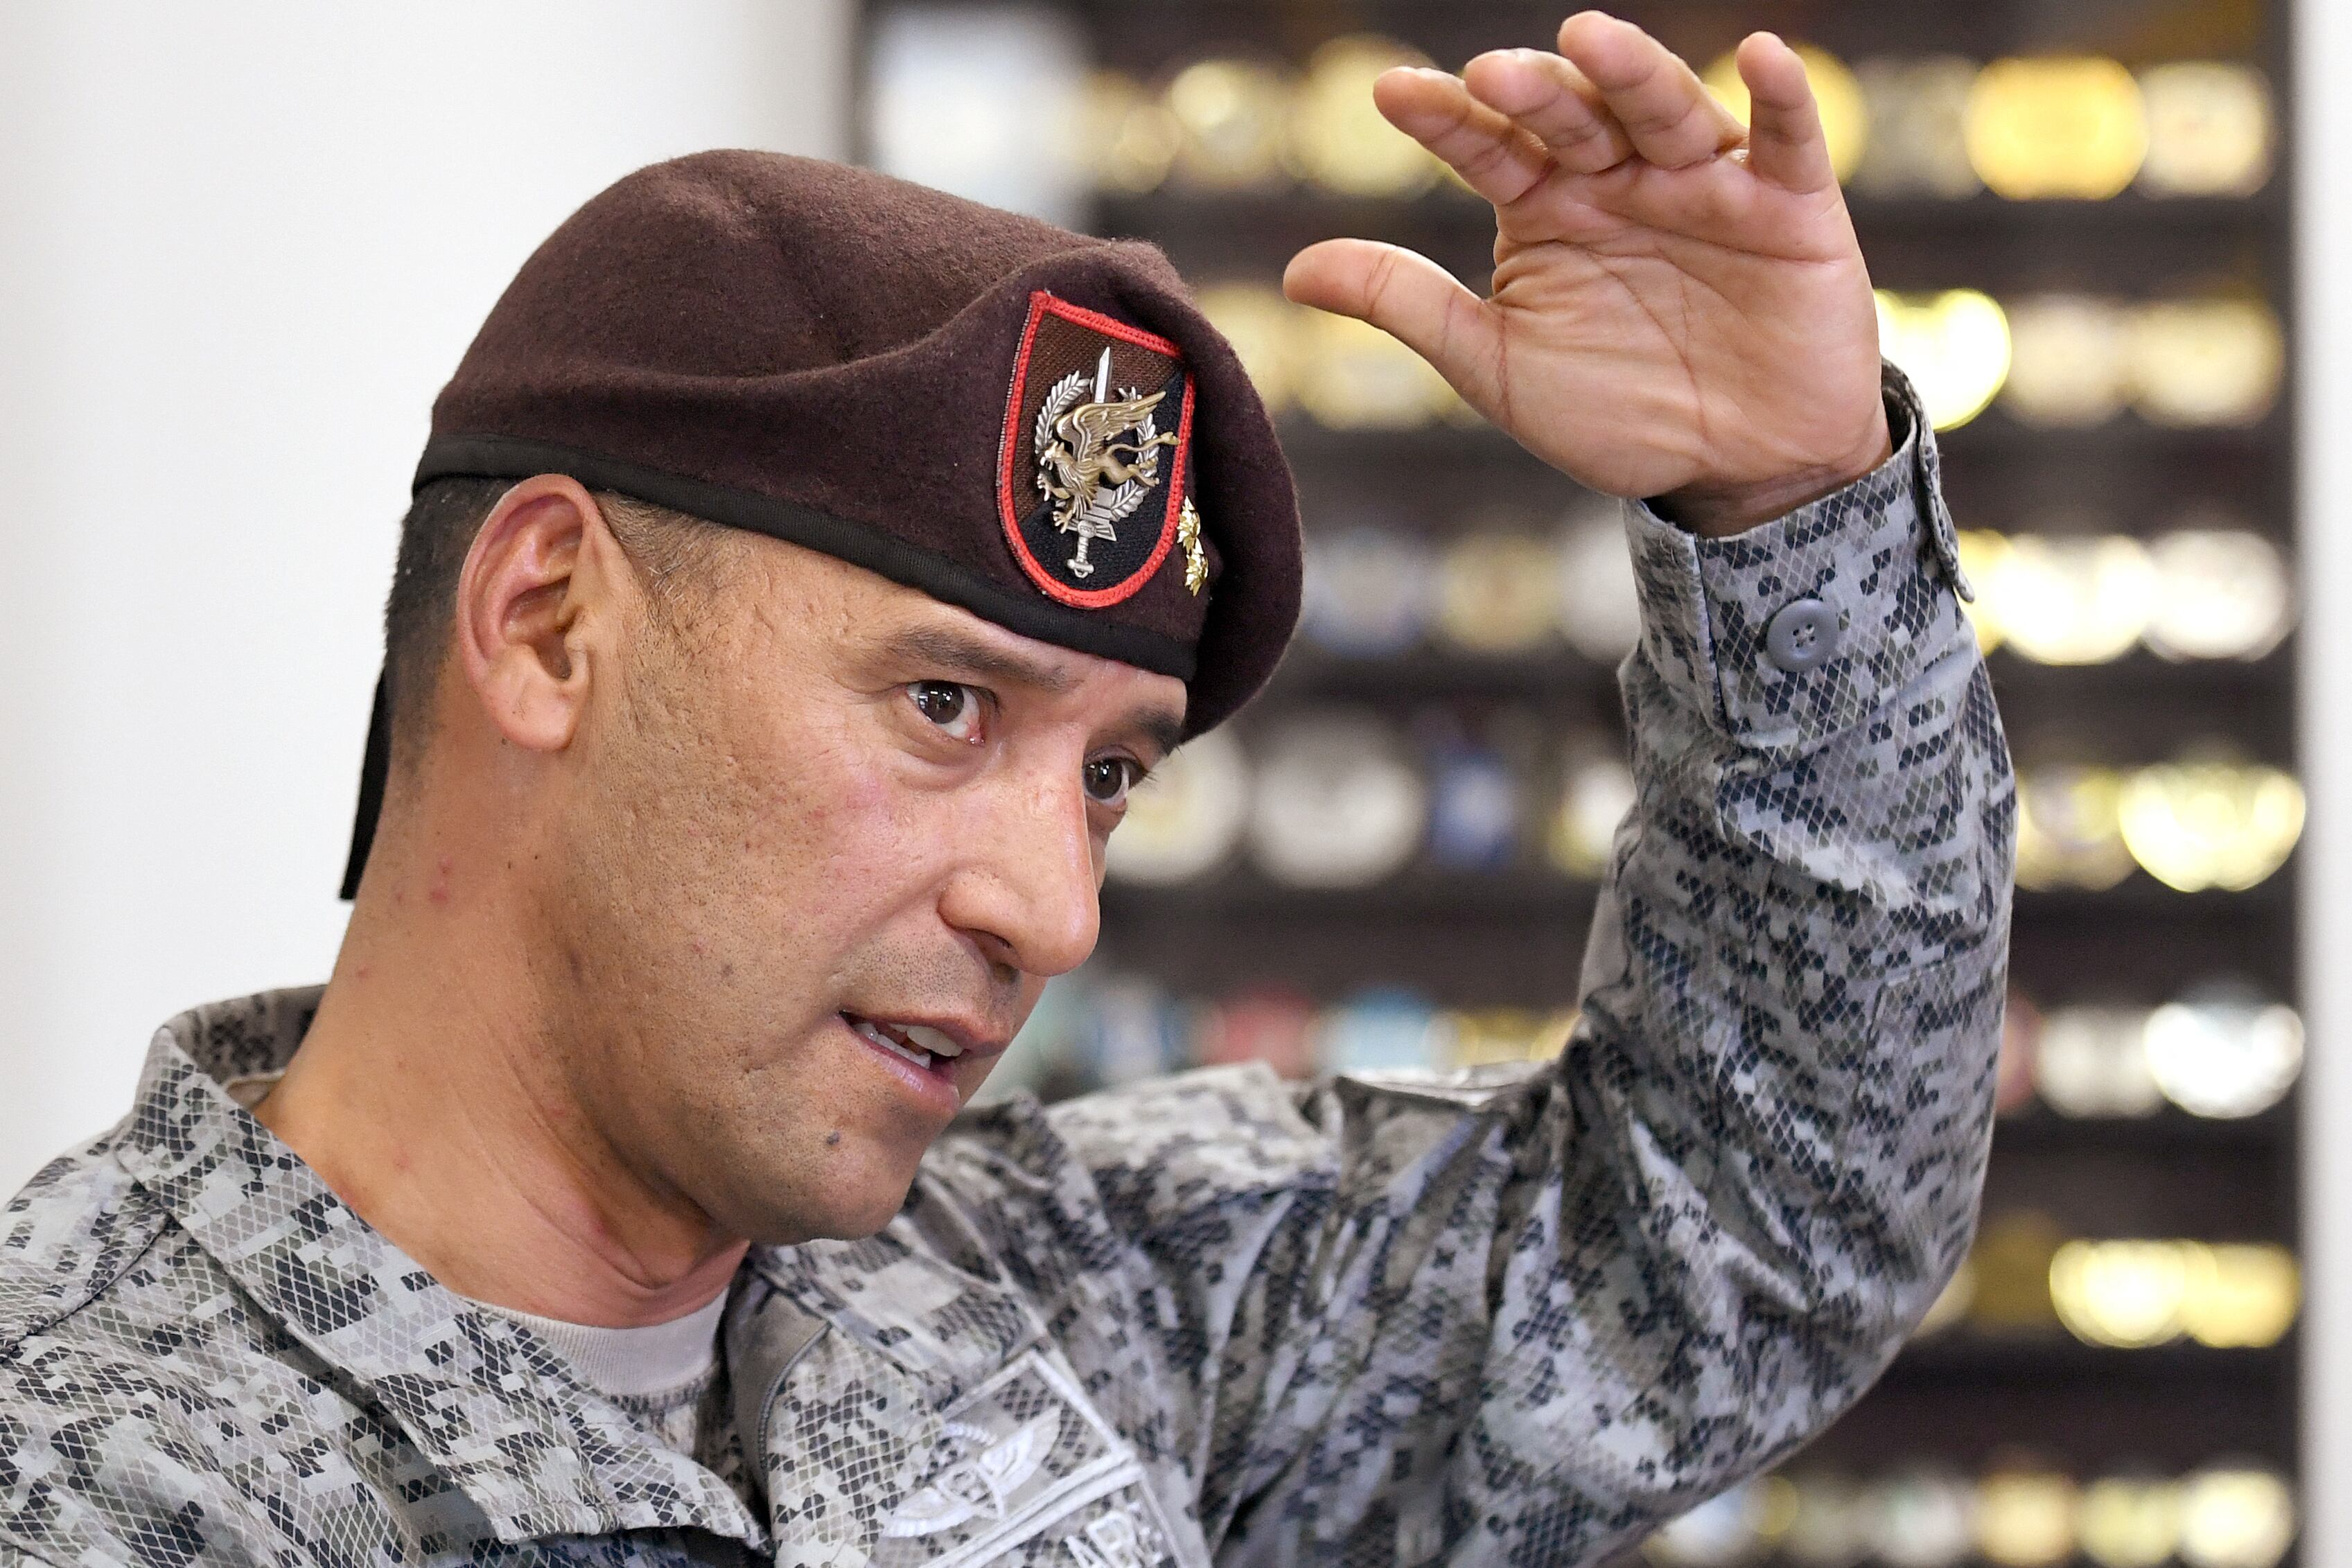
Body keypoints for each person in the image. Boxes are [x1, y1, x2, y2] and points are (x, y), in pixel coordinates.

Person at [0, 14, 2011, 1567]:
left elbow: (1732, 1237)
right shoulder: (83, 1461)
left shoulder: (1075, 1304)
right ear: (543, 624)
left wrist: (1788, 523)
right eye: (946, 706)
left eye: (1113, 770)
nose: (1049, 912)